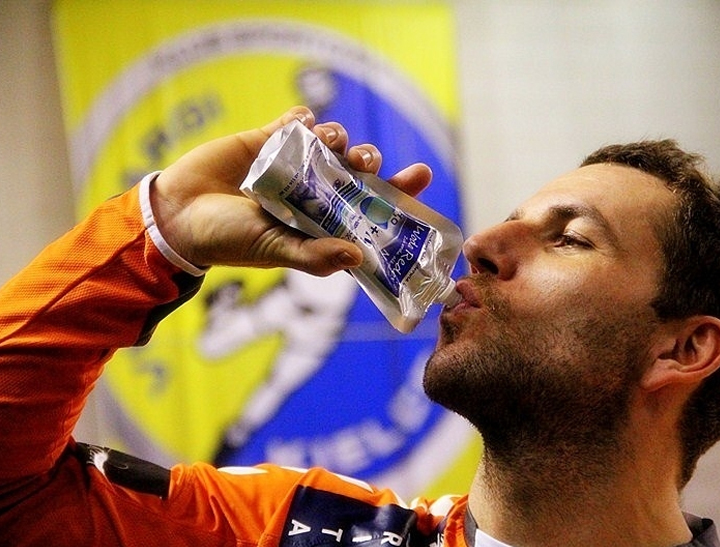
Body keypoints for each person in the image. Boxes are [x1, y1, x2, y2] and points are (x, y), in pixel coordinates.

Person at [1, 106, 719, 547]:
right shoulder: (295, 529)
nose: (479, 244)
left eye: (570, 239)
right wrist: (162, 231)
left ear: (684, 347)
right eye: (511, 221)